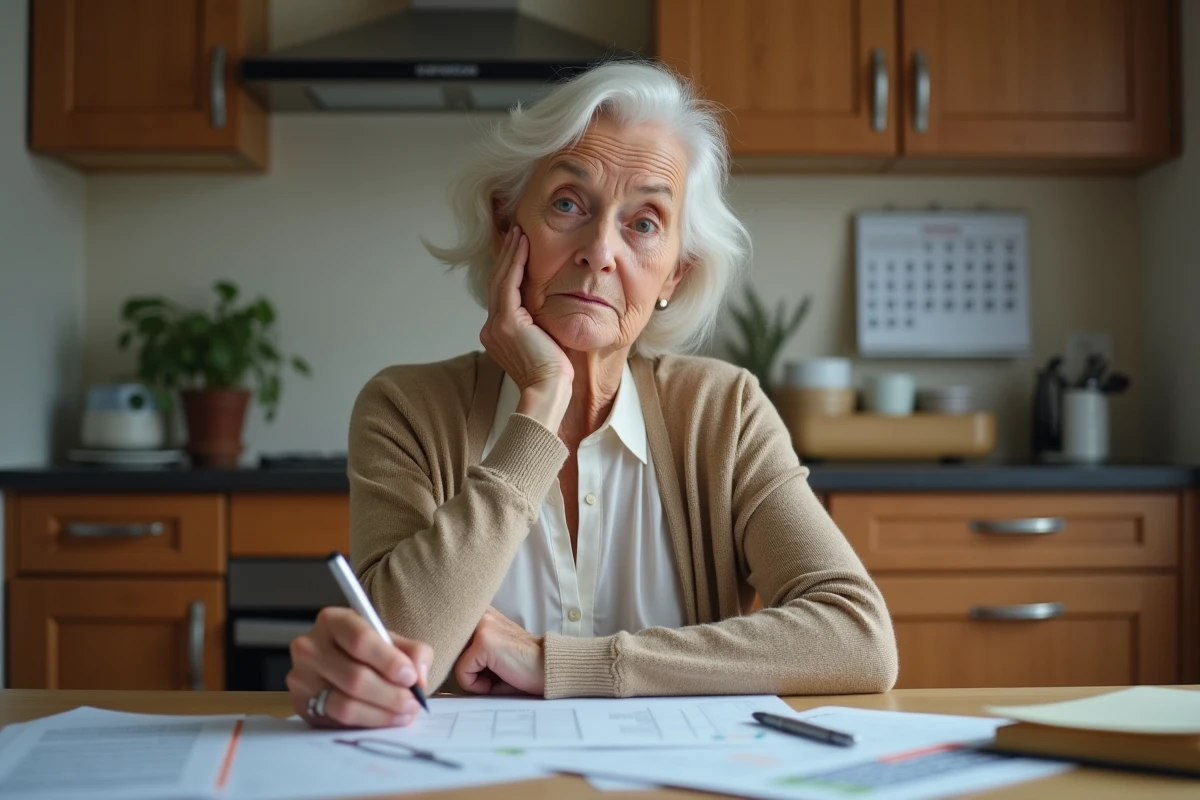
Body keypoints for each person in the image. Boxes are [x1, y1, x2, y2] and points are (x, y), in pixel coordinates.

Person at [287, 60, 898, 729]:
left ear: (675, 273)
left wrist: (564, 663)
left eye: (644, 222)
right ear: (504, 226)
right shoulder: (405, 408)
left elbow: (858, 638)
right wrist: (543, 402)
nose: (600, 251)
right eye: (569, 205)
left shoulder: (724, 413)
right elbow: (401, 665)